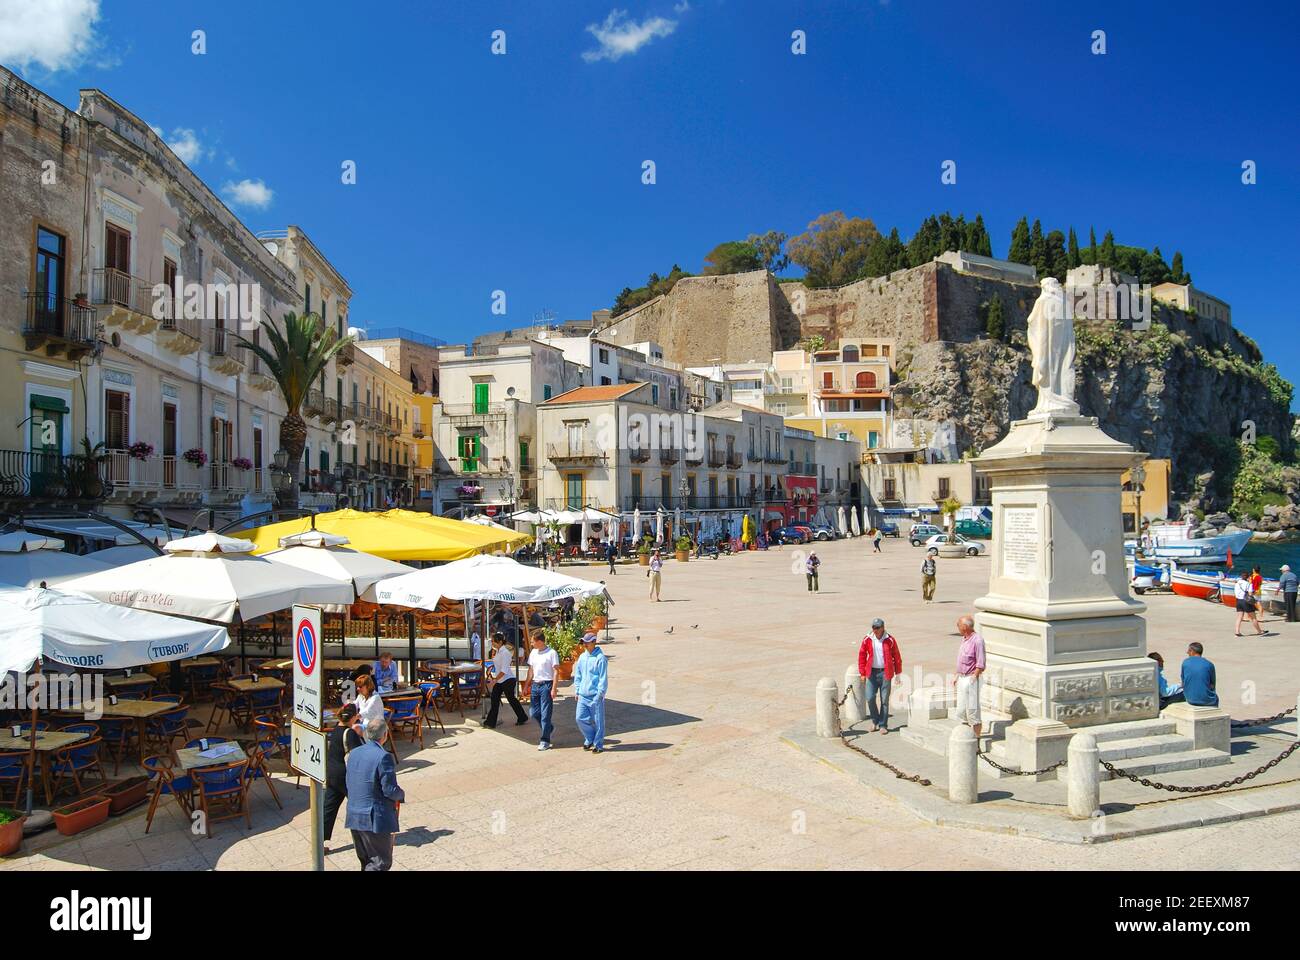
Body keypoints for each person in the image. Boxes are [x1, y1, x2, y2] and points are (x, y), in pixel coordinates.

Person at [344, 717, 405, 871]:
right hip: (373, 818)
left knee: (366, 862)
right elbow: (389, 789)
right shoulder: (383, 756)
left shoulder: (355, 753)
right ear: (384, 735)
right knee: (380, 863)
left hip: (354, 814)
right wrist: (401, 794)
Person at [323, 703, 362, 851]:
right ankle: (364, 838)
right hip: (345, 776)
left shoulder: (335, 730)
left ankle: (319, 842)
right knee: (359, 805)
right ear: (353, 717)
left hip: (332, 774)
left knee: (329, 809)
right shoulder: (350, 733)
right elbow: (358, 756)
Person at [857, 618, 902, 733]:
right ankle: (874, 720)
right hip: (871, 673)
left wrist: (898, 674)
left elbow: (896, 657)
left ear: (883, 628)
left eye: (877, 628)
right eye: (873, 627)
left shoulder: (890, 640)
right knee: (870, 697)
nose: (875, 630)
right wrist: (862, 673)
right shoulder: (867, 639)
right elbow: (862, 655)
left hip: (885, 673)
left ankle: (883, 724)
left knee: (884, 700)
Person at [572, 632, 609, 753]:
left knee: (598, 722)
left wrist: (600, 694)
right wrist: (577, 690)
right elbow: (578, 675)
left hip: (595, 696)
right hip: (582, 695)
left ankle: (598, 744)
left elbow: (603, 678)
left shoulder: (600, 659)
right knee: (580, 718)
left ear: (594, 642)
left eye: (587, 642)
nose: (585, 644)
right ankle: (590, 738)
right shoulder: (582, 657)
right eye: (584, 642)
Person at [953, 615, 986, 744]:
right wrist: (956, 675)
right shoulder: (965, 638)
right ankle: (966, 736)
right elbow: (962, 659)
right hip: (962, 677)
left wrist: (974, 678)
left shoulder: (977, 640)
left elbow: (981, 662)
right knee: (961, 710)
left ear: (965, 627)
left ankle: (976, 742)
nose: (957, 626)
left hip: (971, 678)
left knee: (973, 711)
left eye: (959, 625)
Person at [484, 638, 528, 728]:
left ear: (500, 642)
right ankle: (490, 722)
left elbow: (504, 670)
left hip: (507, 680)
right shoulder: (499, 651)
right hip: (501, 680)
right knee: (495, 699)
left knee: (511, 699)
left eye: (493, 641)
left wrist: (495, 680)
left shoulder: (505, 653)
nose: (492, 643)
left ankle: (522, 717)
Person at [526, 634, 559, 750]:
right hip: (535, 685)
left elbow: (556, 671)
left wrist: (554, 688)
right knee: (533, 712)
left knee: (545, 714)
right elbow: (531, 670)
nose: (531, 644)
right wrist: (526, 685)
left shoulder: (552, 653)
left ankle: (545, 740)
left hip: (546, 685)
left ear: (539, 641)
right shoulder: (533, 653)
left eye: (532, 641)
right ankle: (549, 728)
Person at [1180, 642, 1218, 707]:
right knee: (1216, 698)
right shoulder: (1209, 664)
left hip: (1189, 698)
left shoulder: (1185, 662)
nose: (1187, 653)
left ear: (1192, 652)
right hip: (1206, 699)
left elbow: (1183, 683)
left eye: (1188, 651)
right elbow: (1212, 685)